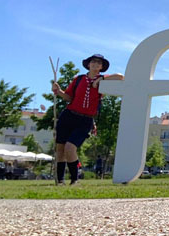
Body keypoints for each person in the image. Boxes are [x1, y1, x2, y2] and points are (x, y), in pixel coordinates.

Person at [52, 54, 124, 185]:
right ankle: (60, 180)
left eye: (99, 63)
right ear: (88, 64)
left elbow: (120, 77)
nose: (95, 64)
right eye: (93, 62)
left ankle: (75, 179)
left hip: (86, 120)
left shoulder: (104, 80)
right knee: (60, 148)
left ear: (102, 67)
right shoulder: (78, 79)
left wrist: (101, 79)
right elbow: (69, 97)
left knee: (70, 147)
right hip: (69, 115)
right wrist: (59, 91)